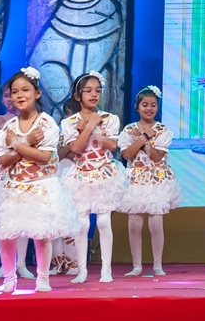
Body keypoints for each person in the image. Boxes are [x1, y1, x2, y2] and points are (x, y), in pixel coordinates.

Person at [0, 67, 76, 294]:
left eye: (25, 90)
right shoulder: (8, 128)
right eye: (14, 92)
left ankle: (42, 278)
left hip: (41, 186)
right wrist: (26, 144)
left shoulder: (46, 123)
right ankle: (9, 279)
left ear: (37, 93)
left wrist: (18, 144)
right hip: (16, 187)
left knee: (41, 235)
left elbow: (44, 157)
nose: (19, 95)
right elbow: (4, 161)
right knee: (6, 234)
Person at [59, 72, 127, 284]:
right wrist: (88, 127)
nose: (94, 94)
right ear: (77, 96)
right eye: (88, 91)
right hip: (81, 175)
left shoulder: (109, 118)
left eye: (97, 90)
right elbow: (76, 148)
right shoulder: (69, 122)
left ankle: (106, 269)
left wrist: (94, 128)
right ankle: (82, 271)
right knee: (82, 224)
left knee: (104, 221)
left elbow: (112, 145)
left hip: (104, 173)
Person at [117, 85, 181, 276]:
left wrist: (144, 143)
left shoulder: (163, 130)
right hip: (135, 180)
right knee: (134, 224)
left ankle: (157, 265)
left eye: (153, 105)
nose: (149, 108)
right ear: (137, 107)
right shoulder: (129, 130)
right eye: (145, 105)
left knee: (156, 223)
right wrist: (143, 138)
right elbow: (127, 154)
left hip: (156, 180)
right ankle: (136, 266)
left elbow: (157, 156)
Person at [0, 88, 31, 279]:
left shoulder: (30, 121)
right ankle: (6, 264)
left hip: (23, 174)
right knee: (4, 219)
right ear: (2, 99)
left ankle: (22, 264)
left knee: (23, 217)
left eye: (15, 95)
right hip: (1, 174)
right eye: (7, 95)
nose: (11, 99)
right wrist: (22, 147)